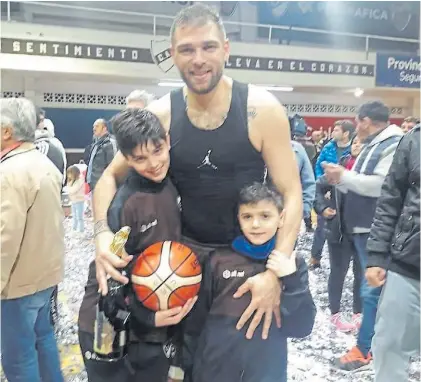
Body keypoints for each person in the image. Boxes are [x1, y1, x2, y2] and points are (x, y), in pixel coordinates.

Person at [92, 3, 302, 341]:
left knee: (247, 362)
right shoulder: (161, 113)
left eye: (208, 47)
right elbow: (109, 177)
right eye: (187, 50)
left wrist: (277, 272)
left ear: (226, 49)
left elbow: (292, 193)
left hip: (247, 258)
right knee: (186, 366)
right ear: (173, 54)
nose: (198, 59)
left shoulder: (262, 110)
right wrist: (102, 234)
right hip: (182, 261)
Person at [78, 108, 196, 382]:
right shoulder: (125, 206)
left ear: (167, 141)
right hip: (106, 323)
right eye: (140, 159)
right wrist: (148, 319)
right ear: (126, 159)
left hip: (147, 323)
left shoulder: (172, 184)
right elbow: (111, 282)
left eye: (157, 151)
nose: (153, 163)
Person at [182, 183, 316, 382]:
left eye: (265, 216)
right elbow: (195, 324)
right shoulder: (218, 260)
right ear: (239, 219)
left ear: (281, 218)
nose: (255, 224)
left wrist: (291, 279)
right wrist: (185, 369)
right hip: (214, 371)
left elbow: (301, 327)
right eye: (247, 216)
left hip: (266, 373)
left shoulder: (292, 264)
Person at [323, 101, 404, 371]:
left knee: (372, 290)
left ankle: (365, 349)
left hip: (376, 229)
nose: (355, 127)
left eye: (357, 121)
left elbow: (381, 185)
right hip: (363, 227)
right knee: (374, 290)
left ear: (366, 121)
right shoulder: (375, 144)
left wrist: (343, 176)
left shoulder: (393, 144)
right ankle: (376, 345)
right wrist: (339, 181)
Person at [1, 98, 64, 382]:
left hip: (17, 284)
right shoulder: (44, 164)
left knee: (18, 357)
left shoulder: (9, 173)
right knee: (44, 341)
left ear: (6, 131)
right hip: (45, 277)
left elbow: (5, 236)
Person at [365, 124, 420, 382]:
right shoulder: (413, 141)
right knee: (389, 347)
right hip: (408, 263)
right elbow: (390, 199)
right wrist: (376, 254)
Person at [314, 136, 363, 332]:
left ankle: (358, 312)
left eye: (363, 143)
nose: (358, 145)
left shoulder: (372, 172)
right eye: (356, 141)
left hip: (363, 232)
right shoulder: (339, 167)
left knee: (361, 275)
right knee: (338, 273)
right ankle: (335, 313)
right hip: (339, 231)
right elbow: (318, 186)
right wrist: (322, 208)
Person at [309, 120, 355, 269]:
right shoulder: (328, 147)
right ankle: (315, 257)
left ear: (346, 133)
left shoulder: (354, 149)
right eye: (333, 130)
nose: (333, 133)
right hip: (328, 194)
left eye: (337, 130)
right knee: (322, 226)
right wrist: (323, 187)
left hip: (347, 197)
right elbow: (318, 166)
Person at [86, 118, 117, 192]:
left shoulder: (110, 143)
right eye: (93, 127)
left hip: (103, 186)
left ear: (104, 128)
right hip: (93, 184)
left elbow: (113, 165)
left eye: (97, 126)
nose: (94, 129)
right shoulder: (95, 144)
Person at [66, 165, 85, 235]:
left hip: (79, 201)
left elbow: (73, 190)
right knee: (74, 215)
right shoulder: (71, 181)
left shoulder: (79, 180)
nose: (68, 175)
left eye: (69, 173)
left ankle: (81, 230)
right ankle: (74, 228)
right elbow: (69, 188)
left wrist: (67, 189)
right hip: (73, 201)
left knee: (79, 216)